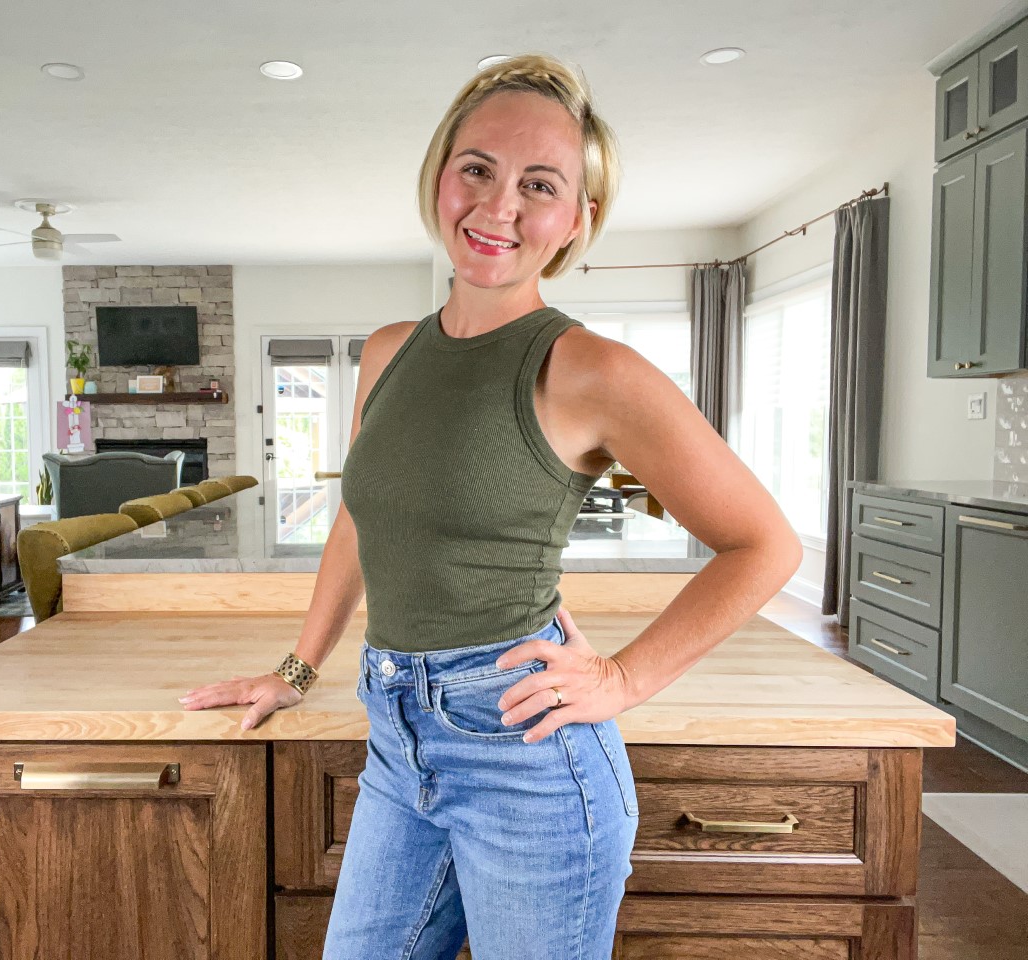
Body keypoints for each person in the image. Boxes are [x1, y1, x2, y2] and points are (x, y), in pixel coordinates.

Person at [179, 52, 803, 959]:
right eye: (477, 168)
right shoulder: (388, 352)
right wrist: (297, 670)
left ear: (577, 220)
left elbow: (765, 545)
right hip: (396, 738)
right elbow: (362, 519)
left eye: (538, 184)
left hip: (528, 754)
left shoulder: (592, 369)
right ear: (441, 174)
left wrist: (626, 680)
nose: (498, 206)